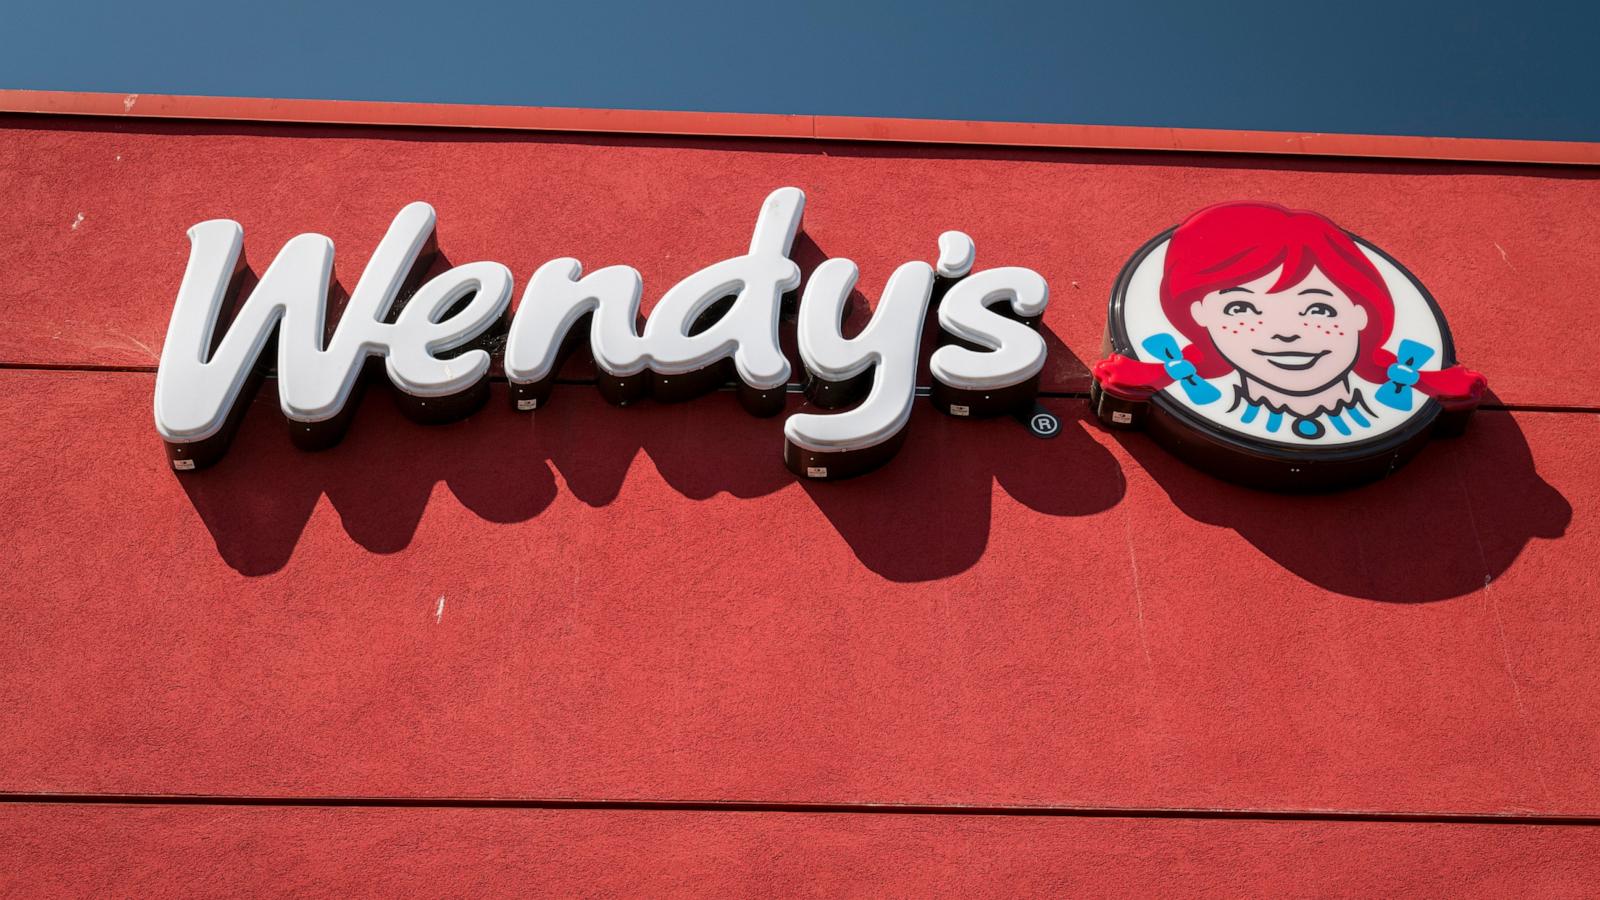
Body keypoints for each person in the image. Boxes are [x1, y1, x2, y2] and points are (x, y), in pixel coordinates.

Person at [1094, 201, 1485, 440]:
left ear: (1361, 311)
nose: (1284, 331)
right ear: (1200, 315)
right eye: (1241, 309)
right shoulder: (1210, 400)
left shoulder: (1396, 399)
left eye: (1318, 309)